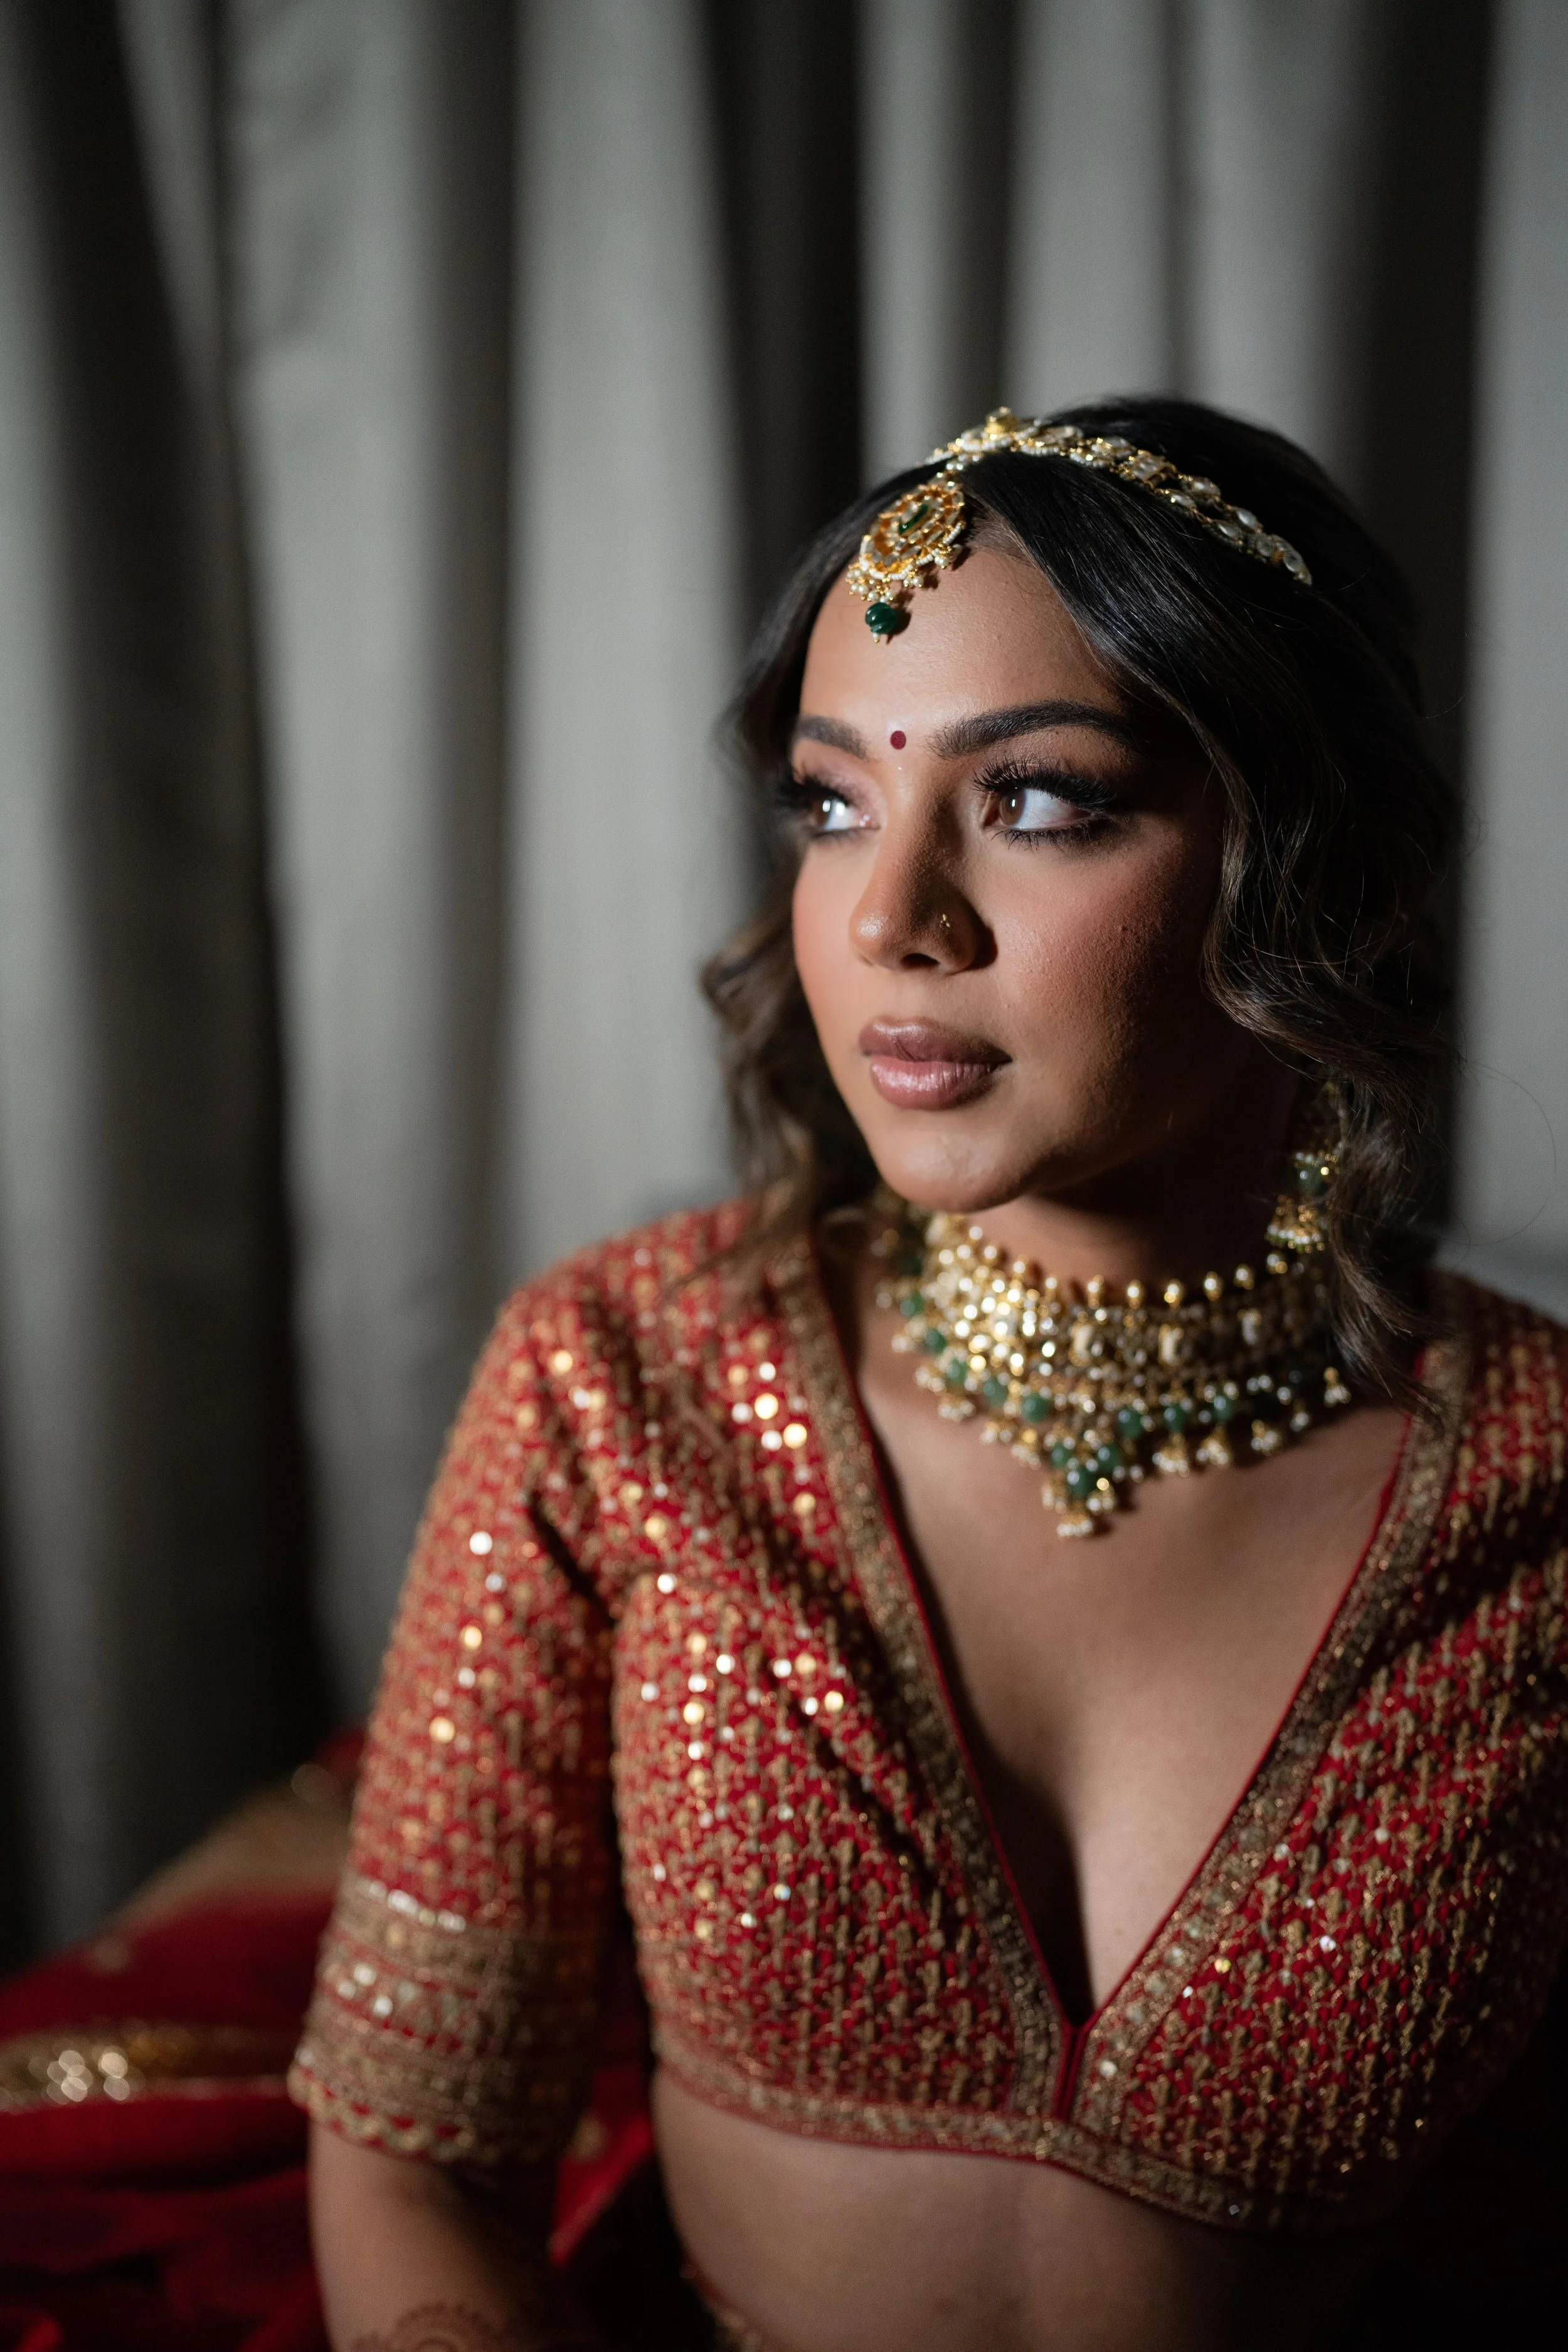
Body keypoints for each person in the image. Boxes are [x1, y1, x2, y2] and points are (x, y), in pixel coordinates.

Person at [292, 401, 1568, 2352]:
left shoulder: (1538, 1484)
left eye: (1039, 799)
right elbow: (418, 2146)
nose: (889, 920)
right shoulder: (626, 1381)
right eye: (829, 804)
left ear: (1315, 858)